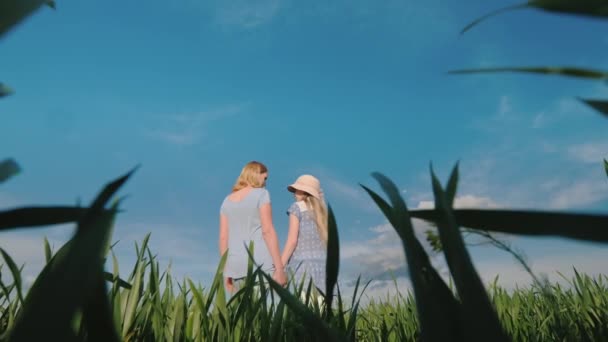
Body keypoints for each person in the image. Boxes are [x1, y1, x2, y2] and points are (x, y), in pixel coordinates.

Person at [219, 161, 287, 293]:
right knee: (262, 311)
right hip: (260, 264)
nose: (265, 182)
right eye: (264, 178)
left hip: (235, 267)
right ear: (256, 174)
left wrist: (226, 271)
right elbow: (267, 231)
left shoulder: (226, 201)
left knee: (245, 312)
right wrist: (279, 269)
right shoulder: (262, 194)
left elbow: (223, 238)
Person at [280, 174, 328, 296]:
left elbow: (292, 241)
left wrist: (279, 267)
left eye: (297, 189)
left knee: (303, 307)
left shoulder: (296, 208)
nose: (294, 192)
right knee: (320, 308)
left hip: (302, 266)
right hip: (322, 266)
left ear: (304, 191)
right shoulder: (322, 212)